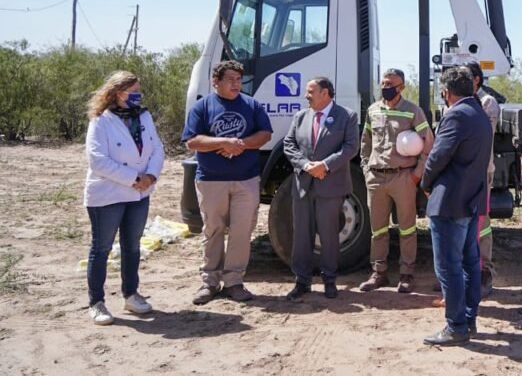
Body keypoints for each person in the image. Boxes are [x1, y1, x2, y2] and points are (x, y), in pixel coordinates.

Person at [182, 60, 272, 304]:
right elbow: (192, 141)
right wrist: (222, 143)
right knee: (213, 230)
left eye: (238, 80)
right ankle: (209, 282)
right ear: (215, 81)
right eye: (230, 79)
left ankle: (234, 281)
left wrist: (239, 144)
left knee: (242, 232)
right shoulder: (202, 107)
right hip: (212, 181)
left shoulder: (251, 105)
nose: (236, 84)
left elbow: (265, 134)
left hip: (246, 180)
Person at [83, 71, 165, 325]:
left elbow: (157, 148)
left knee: (132, 246)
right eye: (134, 90)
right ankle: (96, 302)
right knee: (102, 248)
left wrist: (150, 176)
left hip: (139, 193)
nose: (139, 95)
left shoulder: (144, 116)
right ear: (119, 93)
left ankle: (131, 294)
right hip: (108, 194)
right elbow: (97, 161)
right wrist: (133, 178)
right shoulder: (101, 121)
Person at [421, 66, 492, 346]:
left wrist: (425, 183)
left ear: (446, 92)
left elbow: (438, 157)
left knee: (448, 267)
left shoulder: (456, 114)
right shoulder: (479, 114)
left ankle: (456, 326)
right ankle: (468, 320)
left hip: (450, 202)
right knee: (469, 264)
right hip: (471, 199)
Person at [282, 76, 359, 301]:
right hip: (304, 185)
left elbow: (350, 147)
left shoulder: (346, 116)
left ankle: (330, 280)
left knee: (329, 236)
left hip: (331, 185)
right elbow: (289, 144)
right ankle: (302, 282)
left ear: (325, 93)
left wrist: (325, 165)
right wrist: (306, 165)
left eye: (310, 91)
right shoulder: (300, 116)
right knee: (302, 236)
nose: (306, 95)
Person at [358, 68, 434, 293]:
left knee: (407, 228)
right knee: (378, 230)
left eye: (390, 84)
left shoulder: (412, 111)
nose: (385, 87)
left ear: (401, 87)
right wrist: (365, 168)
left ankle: (406, 274)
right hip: (376, 178)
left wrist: (416, 175)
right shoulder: (373, 110)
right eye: (383, 83)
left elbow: (428, 144)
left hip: (403, 178)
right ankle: (378, 273)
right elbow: (366, 141)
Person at [466, 62, 499, 297]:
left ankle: (484, 272)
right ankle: (464, 275)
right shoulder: (459, 101)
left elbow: (479, 135)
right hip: (462, 171)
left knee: (481, 222)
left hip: (480, 170)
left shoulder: (487, 103)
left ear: (477, 79)